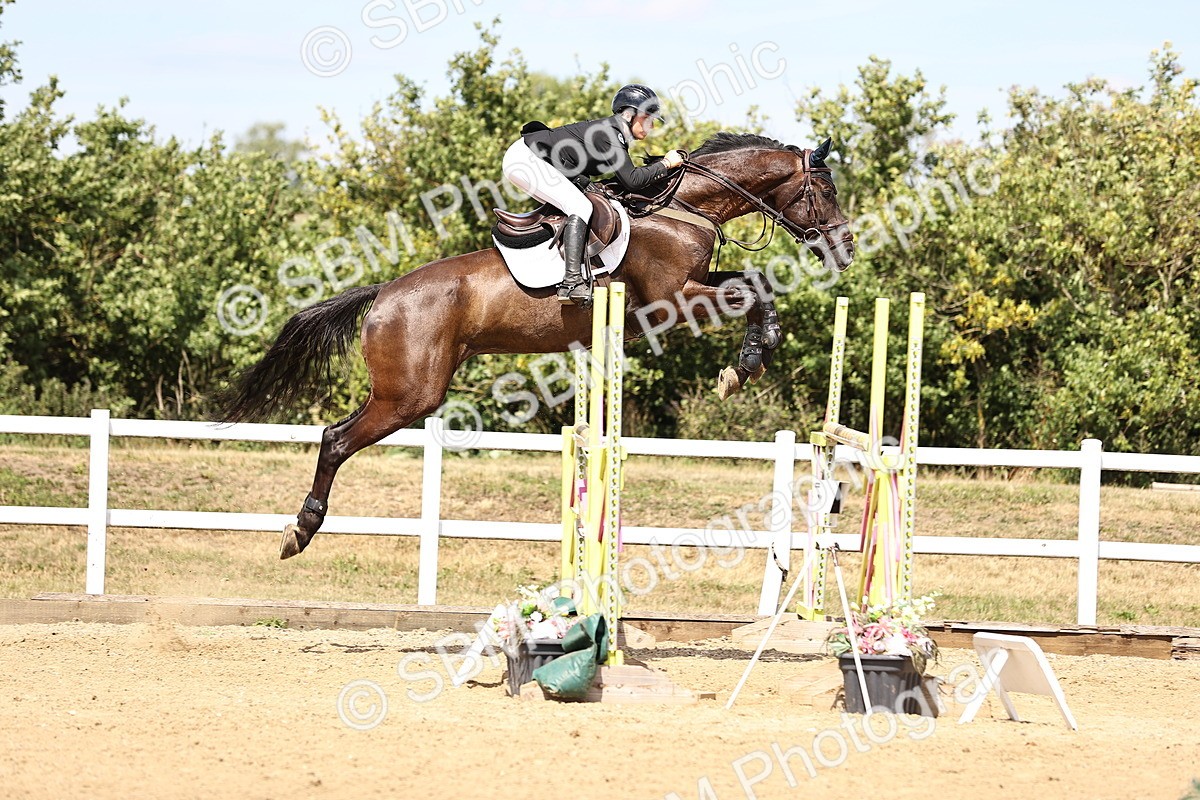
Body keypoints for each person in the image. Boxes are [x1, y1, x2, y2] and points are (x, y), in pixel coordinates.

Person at [502, 84, 687, 306]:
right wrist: (666, 164)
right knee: (580, 207)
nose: (652, 125)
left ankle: (552, 265)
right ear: (629, 114)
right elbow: (632, 180)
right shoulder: (610, 134)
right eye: (648, 118)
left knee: (580, 203)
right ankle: (571, 283)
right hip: (526, 160)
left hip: (537, 160)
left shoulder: (614, 133)